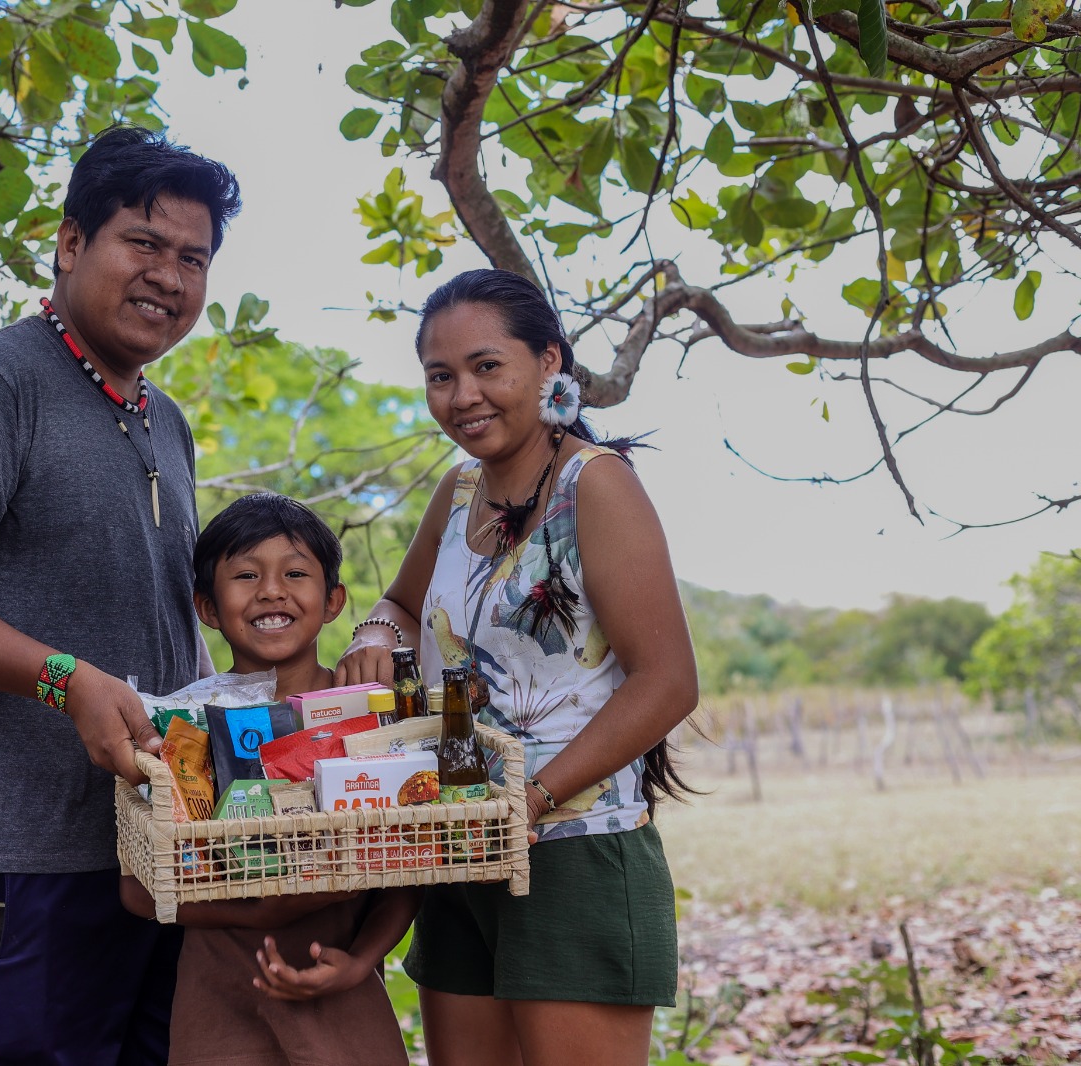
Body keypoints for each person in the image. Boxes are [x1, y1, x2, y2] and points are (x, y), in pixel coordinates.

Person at [0, 126, 241, 1065]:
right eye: (143, 244)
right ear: (71, 244)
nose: (169, 276)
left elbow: (160, 623)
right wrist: (64, 679)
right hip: (25, 852)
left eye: (192, 258)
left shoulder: (165, 418)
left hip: (157, 847)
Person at [335, 269, 699, 1066]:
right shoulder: (457, 491)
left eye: (486, 366)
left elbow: (668, 682)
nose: (463, 394)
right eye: (441, 375)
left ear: (548, 363)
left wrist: (530, 800)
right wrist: (371, 631)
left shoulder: (595, 489)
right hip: (457, 842)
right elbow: (397, 604)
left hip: (570, 847)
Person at [121, 493, 417, 1066]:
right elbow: (135, 890)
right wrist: (255, 913)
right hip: (219, 997)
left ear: (333, 601)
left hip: (340, 981)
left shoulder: (366, 713)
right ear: (206, 607)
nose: (272, 591)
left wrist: (363, 960)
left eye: (296, 573)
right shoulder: (178, 726)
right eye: (246, 575)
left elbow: (414, 860)